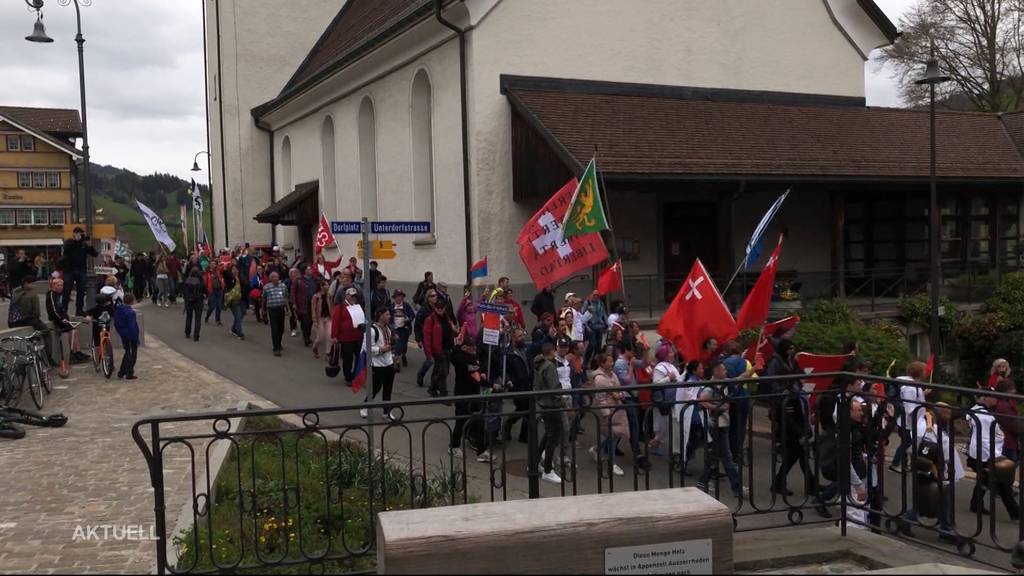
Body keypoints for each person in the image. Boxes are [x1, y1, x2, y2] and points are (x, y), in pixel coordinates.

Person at [967, 390, 1020, 519]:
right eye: (992, 397)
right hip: (986, 454)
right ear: (984, 398)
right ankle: (1016, 513)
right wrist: (996, 456)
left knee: (985, 478)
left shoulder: (975, 410)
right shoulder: (985, 416)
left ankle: (975, 504)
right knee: (1002, 483)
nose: (995, 399)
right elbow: (985, 439)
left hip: (978, 453)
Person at [696, 361, 743, 499]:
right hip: (716, 425)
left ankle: (703, 481)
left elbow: (741, 378)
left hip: (724, 424)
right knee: (727, 457)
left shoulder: (725, 382)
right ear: (715, 372)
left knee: (715, 455)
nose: (725, 372)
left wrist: (754, 368)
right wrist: (718, 408)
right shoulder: (710, 388)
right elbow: (701, 400)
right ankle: (736, 487)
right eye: (722, 370)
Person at [890, 361, 930, 473]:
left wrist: (924, 394)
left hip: (912, 423)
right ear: (919, 372)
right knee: (906, 444)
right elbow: (909, 408)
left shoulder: (915, 386)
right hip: (908, 424)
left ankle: (903, 464)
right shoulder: (910, 388)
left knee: (906, 444)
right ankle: (895, 464)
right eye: (924, 370)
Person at [534, 341, 564, 484]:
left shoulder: (539, 364)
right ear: (552, 352)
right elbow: (554, 387)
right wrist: (560, 400)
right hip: (551, 405)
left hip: (543, 403)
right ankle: (547, 470)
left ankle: (534, 463)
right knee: (553, 437)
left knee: (547, 435)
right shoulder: (549, 366)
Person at [10, 276, 56, 364]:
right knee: (46, 332)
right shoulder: (32, 294)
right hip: (29, 320)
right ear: (26, 284)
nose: (34, 285)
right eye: (33, 283)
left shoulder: (15, 292)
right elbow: (36, 312)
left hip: (15, 322)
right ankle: (48, 358)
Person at [361, 307, 396, 420]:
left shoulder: (389, 328)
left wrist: (392, 352)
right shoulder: (372, 330)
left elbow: (390, 344)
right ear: (380, 315)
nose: (389, 316)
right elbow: (368, 349)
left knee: (388, 389)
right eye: (387, 314)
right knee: (375, 388)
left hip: (389, 363)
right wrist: (382, 349)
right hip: (377, 365)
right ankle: (365, 406)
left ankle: (386, 412)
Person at [501, 328, 534, 444]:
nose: (522, 338)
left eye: (522, 335)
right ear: (513, 338)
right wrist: (509, 381)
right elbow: (505, 370)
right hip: (517, 385)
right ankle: (509, 422)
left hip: (528, 383)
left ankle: (524, 436)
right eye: (520, 336)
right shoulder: (508, 353)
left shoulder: (525, 349)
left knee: (528, 410)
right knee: (524, 409)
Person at [61, 227, 98, 316]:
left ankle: (79, 310)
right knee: (67, 291)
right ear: (74, 234)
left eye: (80, 234)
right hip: (69, 270)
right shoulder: (69, 242)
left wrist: (89, 245)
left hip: (81, 270)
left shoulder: (84, 244)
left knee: (81, 291)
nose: (79, 236)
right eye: (77, 234)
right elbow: (66, 250)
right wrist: (76, 241)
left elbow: (94, 254)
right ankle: (63, 310)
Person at [423, 300, 456, 398]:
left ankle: (432, 389)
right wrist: (429, 354)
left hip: (447, 348)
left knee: (440, 371)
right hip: (438, 350)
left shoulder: (447, 318)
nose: (440, 309)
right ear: (435, 308)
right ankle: (443, 394)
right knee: (443, 372)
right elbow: (427, 337)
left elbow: (451, 331)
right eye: (438, 307)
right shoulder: (430, 320)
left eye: (442, 307)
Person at [331, 287, 365, 384]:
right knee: (348, 359)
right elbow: (335, 322)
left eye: (355, 296)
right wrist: (334, 336)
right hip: (346, 339)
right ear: (346, 296)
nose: (353, 298)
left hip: (358, 337)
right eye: (352, 296)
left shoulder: (358, 306)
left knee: (359, 357)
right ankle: (348, 376)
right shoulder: (340, 307)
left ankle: (355, 374)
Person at [414, 289, 439, 387]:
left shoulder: (438, 308)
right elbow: (417, 325)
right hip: (426, 339)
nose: (435, 297)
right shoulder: (423, 310)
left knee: (438, 360)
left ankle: (435, 383)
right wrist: (419, 339)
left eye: (436, 295)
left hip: (437, 338)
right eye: (432, 296)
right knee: (430, 360)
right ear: (428, 298)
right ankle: (421, 373)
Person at [994, 378, 1022, 462]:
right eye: (1012, 389)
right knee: (1010, 466)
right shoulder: (1003, 405)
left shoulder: (1004, 403)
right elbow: (1012, 424)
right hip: (1008, 442)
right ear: (1006, 391)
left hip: (1008, 441)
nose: (1014, 391)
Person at [112, 294, 140, 380]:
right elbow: (132, 326)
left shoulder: (118, 310)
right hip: (130, 335)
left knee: (128, 352)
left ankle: (122, 372)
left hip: (123, 333)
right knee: (132, 355)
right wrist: (135, 338)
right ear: (132, 301)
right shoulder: (130, 312)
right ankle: (129, 373)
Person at [263, 271, 289, 356]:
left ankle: (279, 342)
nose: (275, 279)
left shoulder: (283, 286)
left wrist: (288, 308)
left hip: (281, 308)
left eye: (276, 277)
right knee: (274, 329)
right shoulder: (266, 287)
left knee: (281, 328)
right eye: (273, 277)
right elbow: (264, 299)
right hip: (272, 309)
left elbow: (285, 297)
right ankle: (276, 348)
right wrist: (263, 310)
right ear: (270, 279)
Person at [390, 289, 414, 372]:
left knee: (404, 345)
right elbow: (388, 317)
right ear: (394, 298)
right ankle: (397, 361)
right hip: (395, 329)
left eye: (401, 296)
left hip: (404, 329)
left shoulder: (406, 306)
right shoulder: (391, 306)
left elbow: (412, 315)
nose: (399, 298)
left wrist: (408, 319)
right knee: (397, 345)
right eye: (397, 296)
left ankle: (403, 355)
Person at [182, 268, 206, 342]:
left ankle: (187, 333)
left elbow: (184, 292)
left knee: (189, 317)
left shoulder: (187, 280)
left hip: (189, 301)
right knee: (198, 319)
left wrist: (186, 299)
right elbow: (205, 290)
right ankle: (196, 336)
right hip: (199, 300)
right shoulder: (201, 281)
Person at [583, 291, 607, 365]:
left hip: (600, 326)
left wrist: (606, 324)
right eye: (594, 295)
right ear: (592, 295)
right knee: (592, 344)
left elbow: (604, 314)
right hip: (591, 327)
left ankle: (594, 362)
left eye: (597, 295)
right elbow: (583, 315)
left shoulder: (601, 303)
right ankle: (586, 362)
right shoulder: (587, 303)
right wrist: (586, 326)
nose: (596, 296)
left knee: (599, 347)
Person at [291, 267, 313, 347]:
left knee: (311, 321)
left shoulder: (314, 279)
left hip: (313, 303)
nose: (310, 270)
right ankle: (306, 337)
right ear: (305, 271)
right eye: (308, 269)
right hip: (302, 304)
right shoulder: (298, 280)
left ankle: (308, 335)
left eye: (311, 269)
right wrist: (294, 303)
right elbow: (293, 292)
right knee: (305, 321)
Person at [311, 280, 332, 360]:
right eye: (326, 285)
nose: (328, 286)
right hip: (319, 318)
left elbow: (331, 306)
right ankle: (315, 347)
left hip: (328, 318)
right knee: (320, 337)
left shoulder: (329, 295)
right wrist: (314, 320)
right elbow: (313, 308)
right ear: (321, 287)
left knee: (329, 335)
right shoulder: (316, 297)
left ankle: (328, 353)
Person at [223, 264, 245, 340]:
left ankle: (233, 329)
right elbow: (225, 275)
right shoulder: (230, 278)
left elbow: (246, 286)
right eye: (233, 269)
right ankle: (240, 333)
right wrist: (225, 268)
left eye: (236, 269)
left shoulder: (241, 278)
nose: (235, 270)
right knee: (238, 316)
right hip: (232, 300)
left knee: (241, 315)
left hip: (241, 299)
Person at [203, 260, 224, 326]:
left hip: (219, 290)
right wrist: (206, 291)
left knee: (219, 305)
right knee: (212, 306)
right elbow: (205, 282)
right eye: (211, 264)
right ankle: (207, 317)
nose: (213, 265)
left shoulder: (218, 271)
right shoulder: (207, 272)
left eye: (214, 264)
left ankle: (218, 320)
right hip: (212, 291)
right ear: (209, 265)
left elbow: (223, 268)